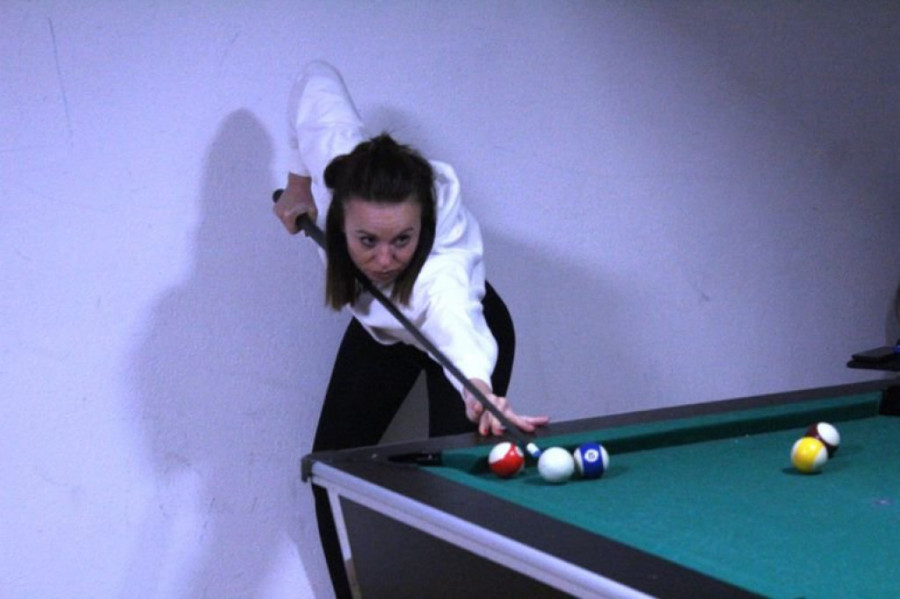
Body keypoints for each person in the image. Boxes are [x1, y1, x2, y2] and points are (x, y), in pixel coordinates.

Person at [273, 61, 548, 598]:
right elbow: (313, 79)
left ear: (421, 222)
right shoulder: (336, 162)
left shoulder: (439, 270)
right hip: (388, 332)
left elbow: (452, 314)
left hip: (460, 330)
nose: (384, 260)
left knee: (456, 487)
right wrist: (298, 184)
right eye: (367, 241)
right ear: (340, 216)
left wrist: (477, 385)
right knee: (329, 467)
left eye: (402, 239)